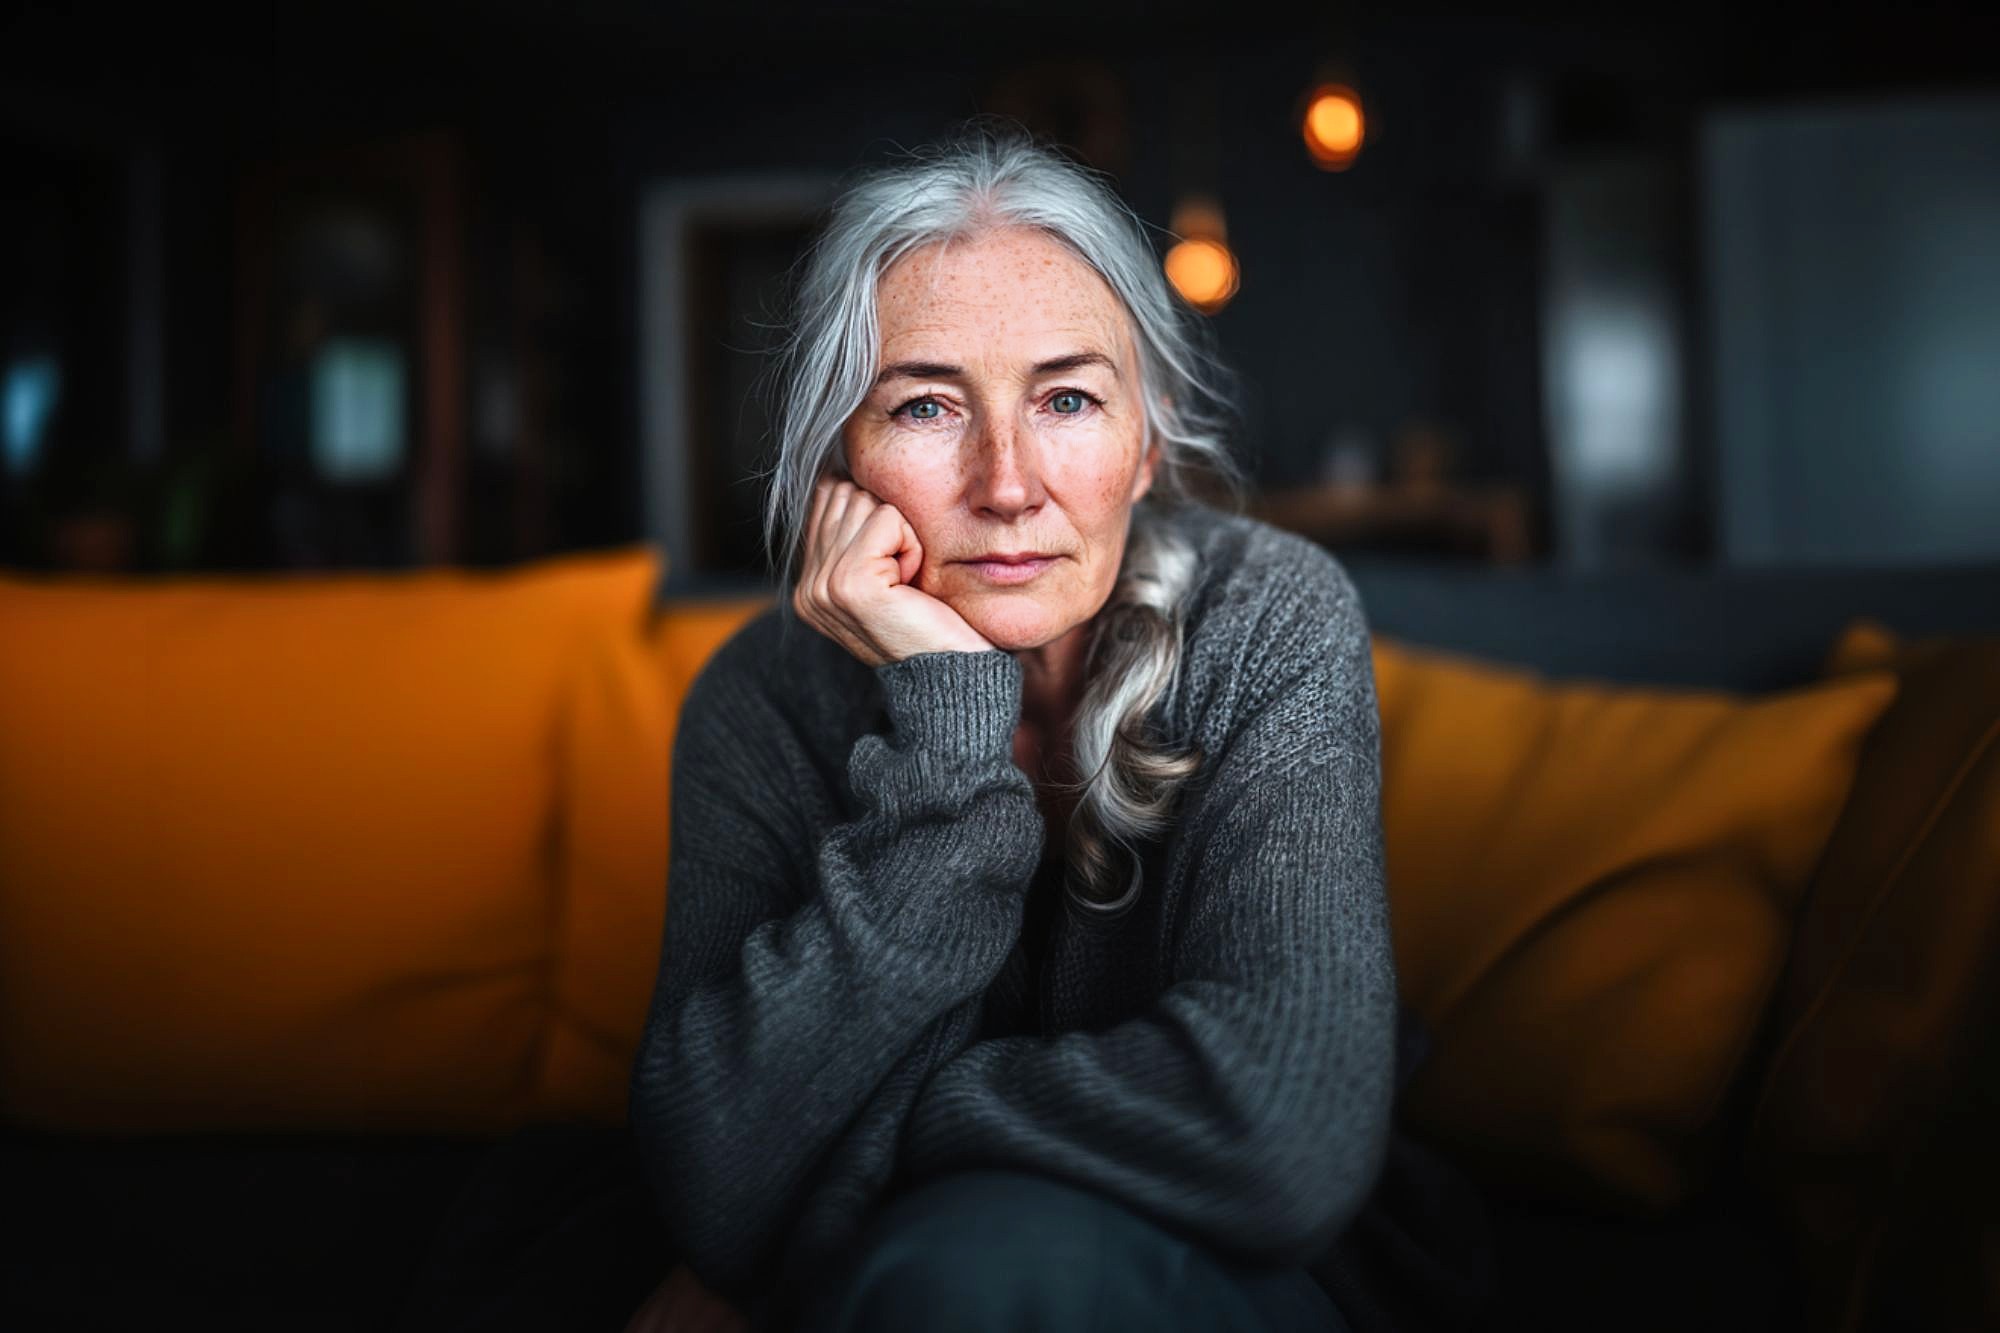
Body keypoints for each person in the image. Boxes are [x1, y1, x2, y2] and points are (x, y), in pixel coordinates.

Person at [624, 117, 1494, 1333]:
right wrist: (949, 729)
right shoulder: (761, 694)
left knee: (971, 1267)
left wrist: (860, 1127)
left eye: (1069, 399)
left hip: (1238, 1267)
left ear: (1145, 444)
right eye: (926, 408)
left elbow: (1277, 1137)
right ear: (839, 457)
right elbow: (711, 1181)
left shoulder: (1268, 615)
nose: (1009, 483)